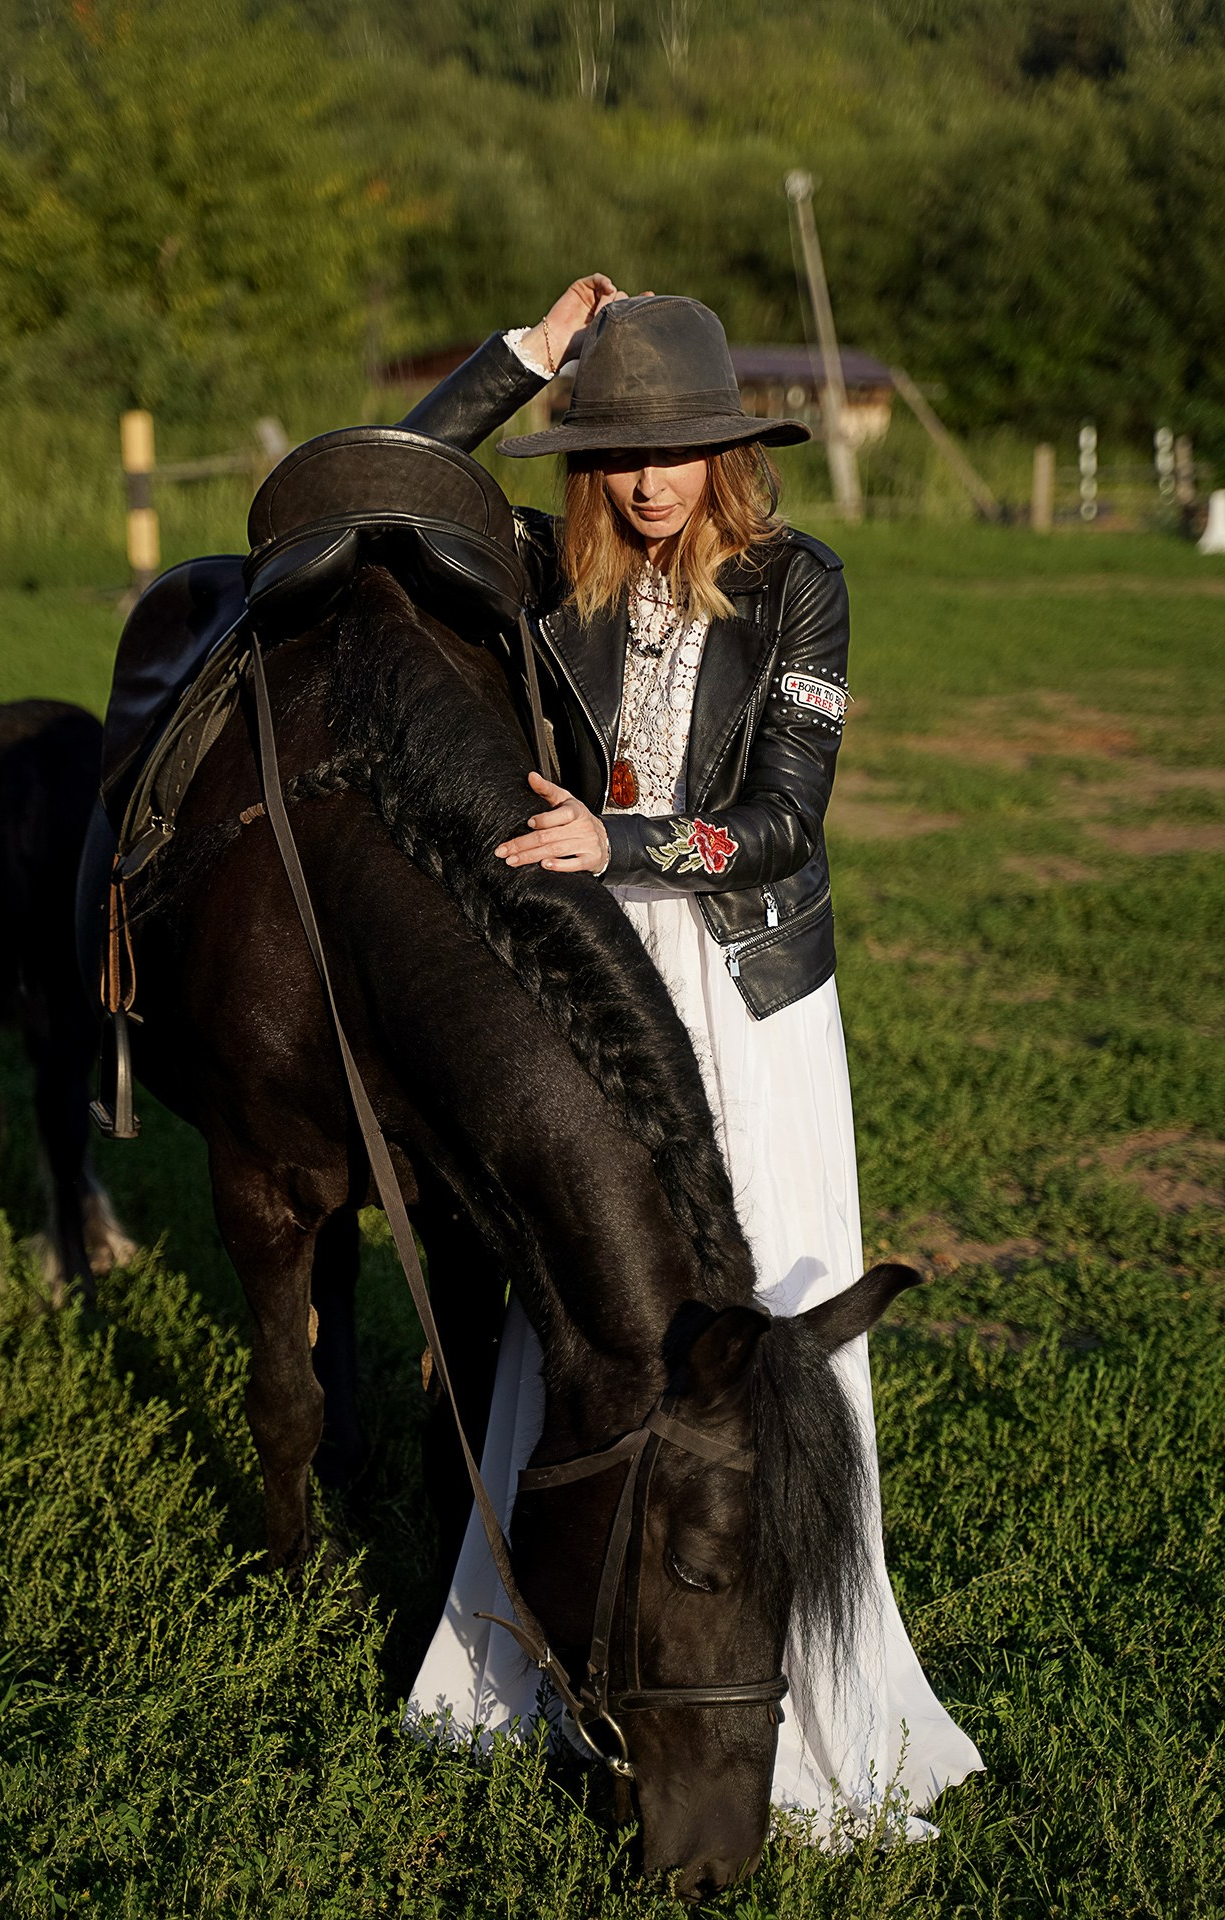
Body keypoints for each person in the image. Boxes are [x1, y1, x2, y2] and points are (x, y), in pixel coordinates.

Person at [402, 277, 983, 1839]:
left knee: (779, 1322)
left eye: (680, 446)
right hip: (602, 986)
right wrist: (518, 357)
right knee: (583, 1308)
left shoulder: (802, 581)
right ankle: (538, 1651)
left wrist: (623, 834)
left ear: (732, 447)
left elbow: (790, 816)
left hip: (753, 993)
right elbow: (384, 488)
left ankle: (796, 1684)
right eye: (617, 450)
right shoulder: (545, 581)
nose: (649, 479)